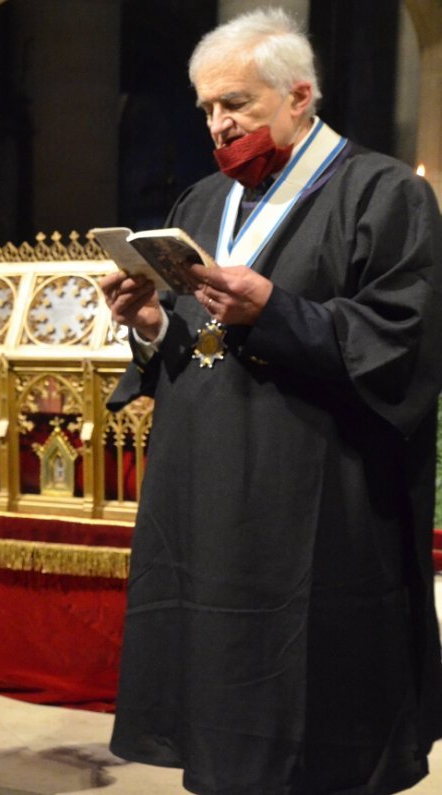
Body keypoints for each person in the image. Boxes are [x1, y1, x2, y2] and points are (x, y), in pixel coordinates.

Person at [99, 9, 442, 794]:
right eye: (208, 109)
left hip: (316, 507)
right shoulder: (199, 204)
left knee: (317, 741)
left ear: (299, 95)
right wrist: (152, 327)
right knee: (220, 727)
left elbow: (402, 344)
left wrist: (275, 310)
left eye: (236, 104)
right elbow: (194, 353)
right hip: (207, 507)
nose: (218, 125)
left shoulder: (382, 194)